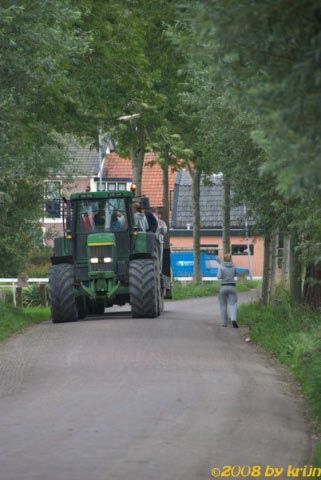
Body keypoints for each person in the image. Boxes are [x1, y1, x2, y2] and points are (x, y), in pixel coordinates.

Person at [217, 252, 239, 328]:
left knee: (223, 305)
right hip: (232, 287)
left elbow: (219, 277)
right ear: (231, 258)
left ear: (224, 259)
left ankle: (224, 323)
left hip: (223, 287)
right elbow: (235, 274)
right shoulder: (234, 266)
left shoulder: (221, 266)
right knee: (233, 304)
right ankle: (233, 320)